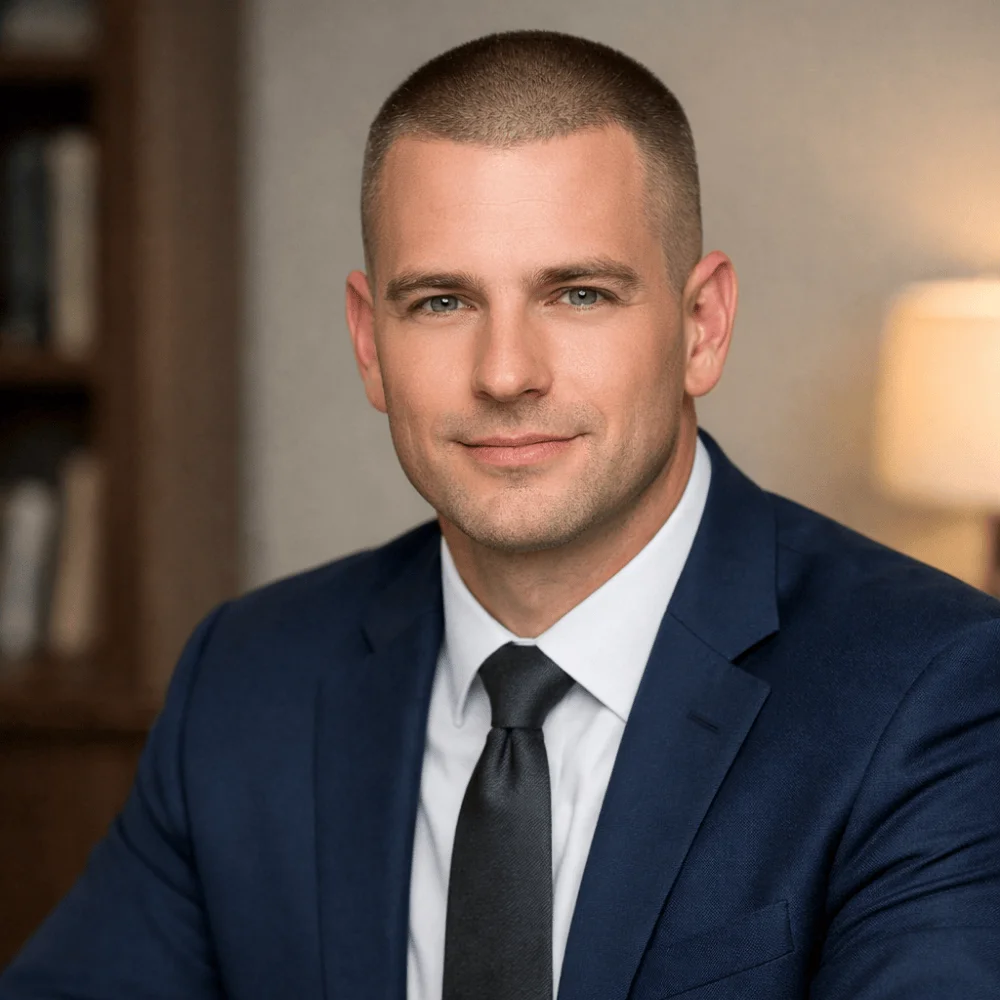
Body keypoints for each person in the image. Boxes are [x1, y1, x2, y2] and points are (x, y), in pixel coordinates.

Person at [2, 29, 999, 1000]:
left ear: (701, 327)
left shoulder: (932, 689)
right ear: (367, 342)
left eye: (577, 293)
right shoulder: (248, 677)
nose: (505, 373)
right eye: (441, 301)